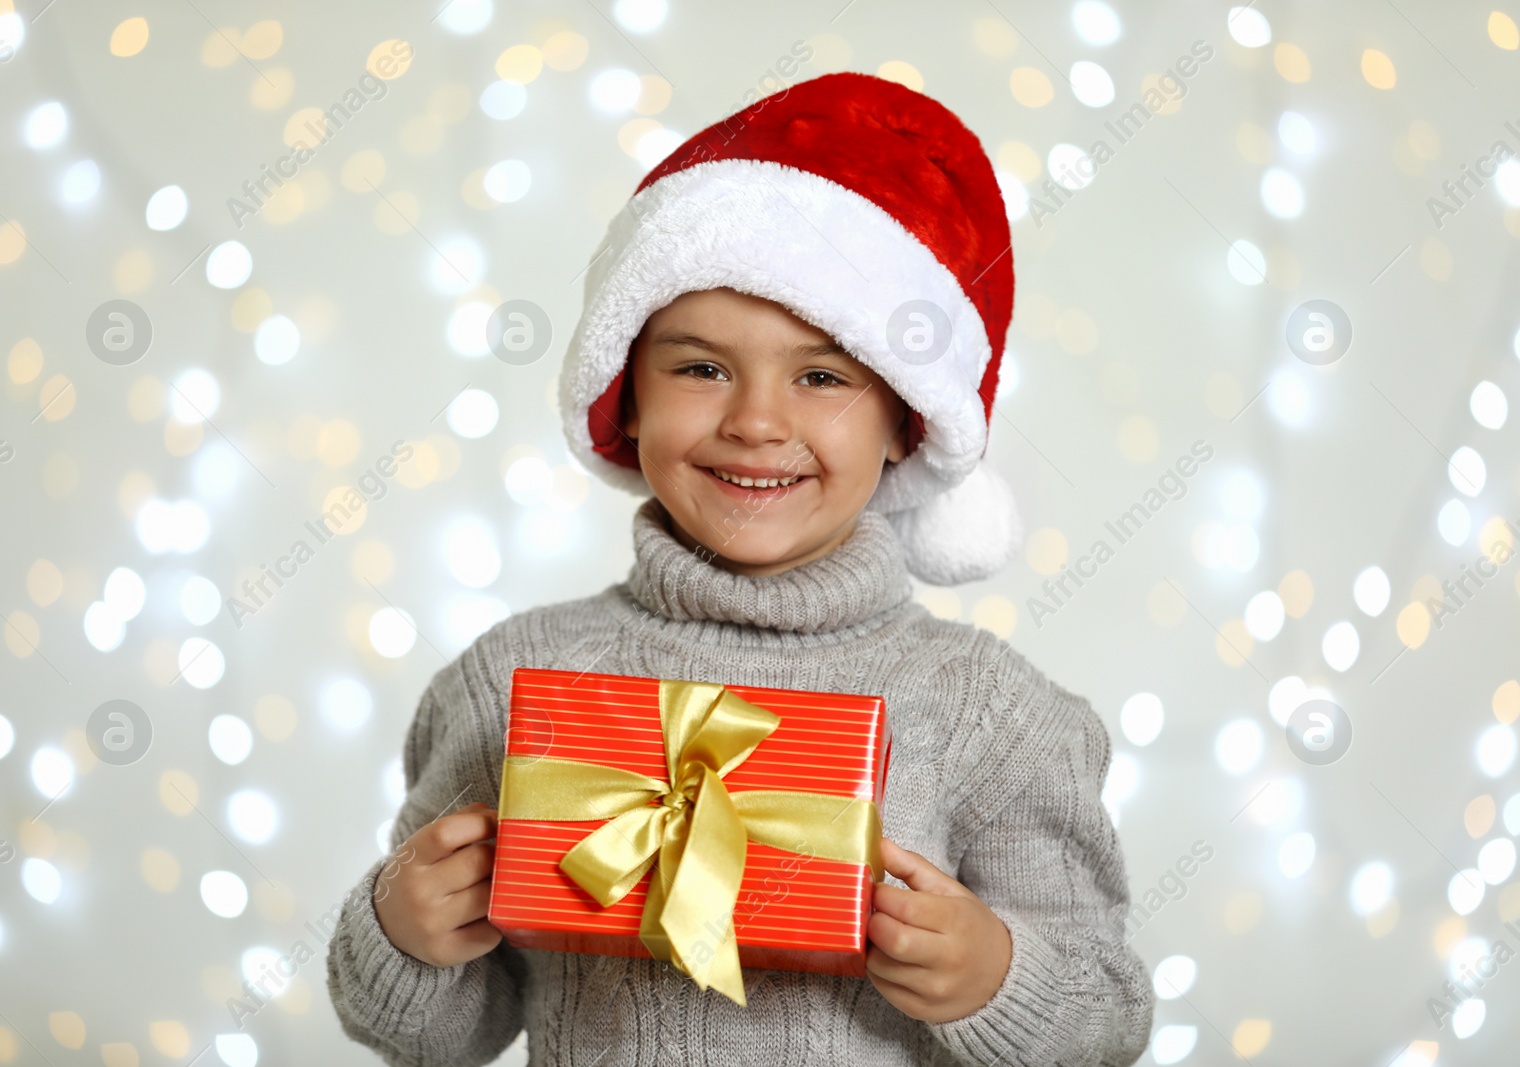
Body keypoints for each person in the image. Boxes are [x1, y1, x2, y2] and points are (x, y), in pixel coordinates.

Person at [327, 71, 1153, 1066]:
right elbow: (443, 1034)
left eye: (820, 375)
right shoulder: (509, 681)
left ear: (903, 418)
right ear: (623, 394)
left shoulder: (996, 712)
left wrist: (993, 974)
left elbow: (1105, 1021)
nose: (757, 421)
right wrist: (401, 930)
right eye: (700, 366)